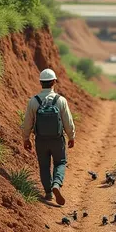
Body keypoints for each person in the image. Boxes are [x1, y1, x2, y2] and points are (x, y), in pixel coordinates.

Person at [22, 68, 75, 205]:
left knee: (44, 166)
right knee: (60, 162)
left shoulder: (33, 101)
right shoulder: (61, 100)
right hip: (57, 139)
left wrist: (26, 138)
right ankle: (56, 184)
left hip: (41, 140)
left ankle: (48, 192)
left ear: (41, 82)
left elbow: (27, 122)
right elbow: (68, 122)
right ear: (54, 82)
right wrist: (71, 136)